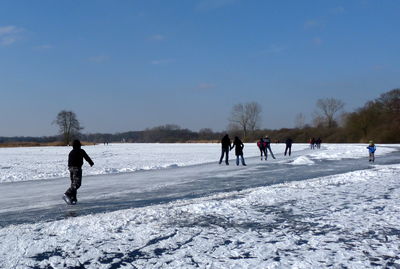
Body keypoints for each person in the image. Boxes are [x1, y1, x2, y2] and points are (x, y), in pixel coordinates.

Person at [63, 140, 94, 204]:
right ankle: (67, 193)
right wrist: (91, 163)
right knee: (77, 184)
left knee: (73, 183)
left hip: (70, 168)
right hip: (77, 168)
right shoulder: (81, 151)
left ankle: (73, 198)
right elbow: (86, 157)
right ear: (79, 145)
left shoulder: (71, 152)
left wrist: (70, 168)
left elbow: (69, 161)